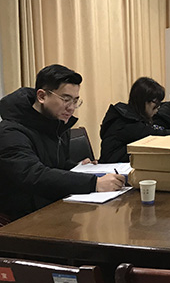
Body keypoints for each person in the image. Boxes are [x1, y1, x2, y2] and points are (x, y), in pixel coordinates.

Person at [0, 64, 125, 221]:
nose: (71, 108)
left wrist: (77, 166)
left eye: (75, 101)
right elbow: (33, 175)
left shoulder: (56, 124)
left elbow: (54, 163)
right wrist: (94, 183)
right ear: (42, 96)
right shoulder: (10, 132)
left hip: (51, 208)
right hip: (18, 219)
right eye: (66, 100)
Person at [99, 77, 170, 163]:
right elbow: (152, 134)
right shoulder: (126, 120)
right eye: (156, 103)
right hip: (112, 167)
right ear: (143, 101)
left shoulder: (133, 115)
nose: (158, 107)